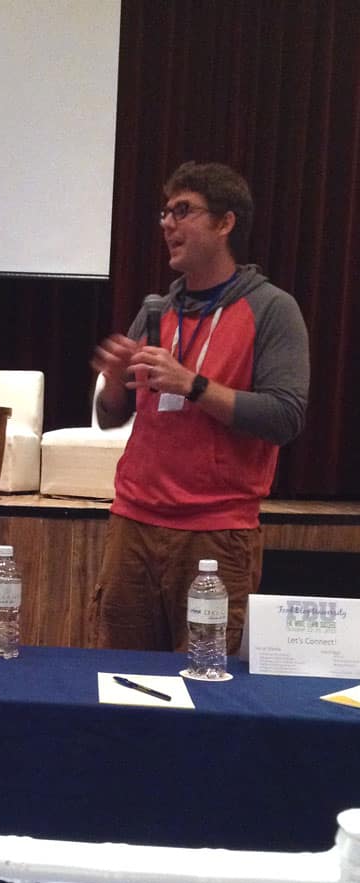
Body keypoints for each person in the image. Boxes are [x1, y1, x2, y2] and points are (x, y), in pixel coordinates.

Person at [91, 161, 309, 654]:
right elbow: (112, 417)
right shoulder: (156, 310)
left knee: (205, 688)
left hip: (216, 534)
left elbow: (284, 416)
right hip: (133, 524)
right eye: (165, 212)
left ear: (225, 223)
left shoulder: (272, 309)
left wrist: (193, 385)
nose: (168, 223)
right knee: (118, 679)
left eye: (183, 211)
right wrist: (111, 385)